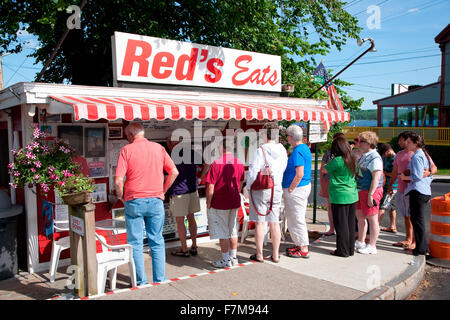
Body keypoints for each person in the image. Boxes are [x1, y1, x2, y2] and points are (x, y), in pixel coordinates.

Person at [115, 122, 179, 285]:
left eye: (127, 136)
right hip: (156, 200)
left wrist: (121, 195)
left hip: (134, 200)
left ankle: (140, 281)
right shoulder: (158, 148)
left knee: (135, 243)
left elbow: (118, 180)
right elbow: (174, 172)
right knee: (156, 240)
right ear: (142, 133)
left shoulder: (126, 150)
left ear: (130, 135)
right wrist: (163, 191)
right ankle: (159, 279)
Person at [246, 122, 288, 263]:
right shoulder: (282, 150)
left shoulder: (261, 150)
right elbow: (283, 169)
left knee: (260, 222)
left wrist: (248, 187)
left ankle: (259, 254)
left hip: (261, 189)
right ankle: (275, 254)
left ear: (264, 134)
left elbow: (253, 173)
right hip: (276, 188)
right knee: (274, 222)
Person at [206, 136, 245, 268]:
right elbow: (240, 183)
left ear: (221, 148)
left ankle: (225, 260)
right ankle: (234, 258)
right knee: (233, 230)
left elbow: (210, 186)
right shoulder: (239, 163)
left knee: (223, 233)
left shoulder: (216, 163)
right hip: (234, 201)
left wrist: (208, 202)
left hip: (220, 203)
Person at [400, 133, 436, 256]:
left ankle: (420, 249)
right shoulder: (425, 154)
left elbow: (416, 176)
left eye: (409, 142)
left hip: (417, 191)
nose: (406, 144)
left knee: (417, 221)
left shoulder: (416, 156)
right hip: (425, 190)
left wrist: (405, 177)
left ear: (416, 143)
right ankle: (423, 247)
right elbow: (432, 169)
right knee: (418, 220)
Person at [166, 138, 201, 257]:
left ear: (174, 143)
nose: (167, 144)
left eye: (168, 142)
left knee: (180, 221)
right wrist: (200, 177)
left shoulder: (171, 156)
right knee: (191, 218)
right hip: (192, 190)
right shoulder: (191, 152)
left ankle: (184, 249)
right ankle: (194, 245)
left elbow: (166, 174)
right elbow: (207, 162)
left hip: (179, 192)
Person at [282, 125, 312, 259]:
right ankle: (300, 244)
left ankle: (303, 247)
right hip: (302, 187)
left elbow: (299, 174)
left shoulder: (298, 151)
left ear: (290, 137)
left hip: (297, 189)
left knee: (296, 218)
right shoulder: (303, 148)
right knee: (295, 217)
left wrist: (290, 188)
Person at [326, 137, 359, 257]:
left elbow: (325, 170)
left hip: (339, 195)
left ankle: (342, 250)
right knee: (350, 224)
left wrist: (330, 159)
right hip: (352, 193)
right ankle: (350, 249)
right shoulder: (352, 159)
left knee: (341, 225)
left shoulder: (337, 160)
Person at [354, 131, 383, 255]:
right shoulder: (364, 156)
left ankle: (372, 245)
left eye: (361, 141)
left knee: (372, 218)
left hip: (370, 191)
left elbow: (376, 178)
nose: (358, 144)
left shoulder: (374, 158)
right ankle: (361, 240)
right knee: (360, 218)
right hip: (361, 190)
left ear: (369, 143)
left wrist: (371, 195)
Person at [318, 132, 346, 236]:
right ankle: (332, 228)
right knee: (331, 206)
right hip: (331, 182)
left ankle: (337, 229)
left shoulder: (344, 155)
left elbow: (324, 168)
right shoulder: (330, 152)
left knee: (336, 207)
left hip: (336, 183)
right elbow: (323, 168)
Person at [378, 143, 398, 234]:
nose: (384, 156)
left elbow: (395, 174)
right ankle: (392, 226)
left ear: (389, 150)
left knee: (383, 206)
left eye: (384, 154)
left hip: (391, 186)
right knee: (392, 207)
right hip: (387, 185)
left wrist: (383, 172)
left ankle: (375, 225)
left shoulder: (395, 159)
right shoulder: (386, 158)